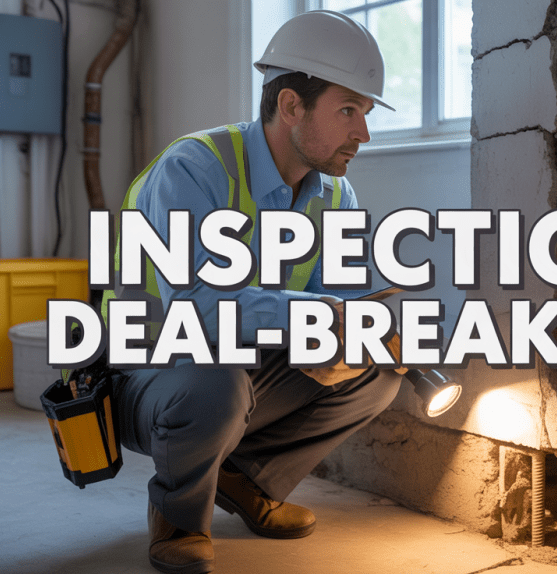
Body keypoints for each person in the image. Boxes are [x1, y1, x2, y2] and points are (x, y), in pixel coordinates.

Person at [102, 11, 403, 574]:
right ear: (291, 106)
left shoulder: (336, 196)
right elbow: (194, 309)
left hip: (243, 366)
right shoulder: (194, 169)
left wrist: (364, 333)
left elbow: (341, 299)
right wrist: (318, 315)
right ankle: (178, 515)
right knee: (216, 382)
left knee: (380, 369)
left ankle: (247, 479)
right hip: (151, 368)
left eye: (364, 113)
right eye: (348, 111)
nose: (363, 133)